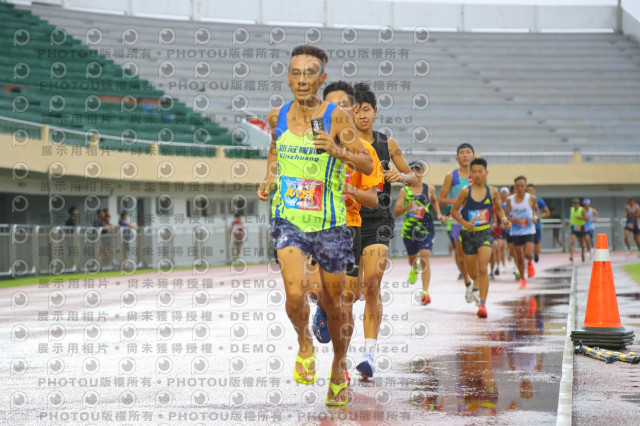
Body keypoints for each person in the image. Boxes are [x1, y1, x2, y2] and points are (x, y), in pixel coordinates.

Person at [256, 44, 373, 406]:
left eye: (310, 73)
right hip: (289, 218)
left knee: (335, 302)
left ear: (321, 79)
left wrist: (337, 151)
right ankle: (304, 342)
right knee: (294, 293)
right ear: (288, 77)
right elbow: (274, 150)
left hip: (331, 222)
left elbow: (367, 165)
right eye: (296, 72)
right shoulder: (277, 115)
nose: (302, 79)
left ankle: (338, 367)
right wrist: (270, 177)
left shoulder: (337, 118)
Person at [310, 81, 381, 356]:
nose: (336, 110)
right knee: (316, 291)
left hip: (349, 225)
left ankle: (341, 363)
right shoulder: (310, 142)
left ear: (352, 109)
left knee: (348, 298)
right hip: (315, 223)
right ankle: (323, 307)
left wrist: (349, 189)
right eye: (330, 105)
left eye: (342, 105)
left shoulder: (365, 152)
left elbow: (372, 200)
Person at [352, 82, 417, 379]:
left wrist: (399, 175)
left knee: (372, 283)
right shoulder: (342, 144)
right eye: (356, 111)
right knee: (350, 293)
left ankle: (369, 353)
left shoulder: (387, 144)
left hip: (378, 220)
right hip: (347, 221)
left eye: (366, 109)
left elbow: (413, 178)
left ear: (375, 111)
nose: (361, 115)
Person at [451, 158, 511, 318]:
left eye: (480, 171)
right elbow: (454, 211)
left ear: (486, 172)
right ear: (470, 174)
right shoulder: (465, 191)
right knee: (473, 272)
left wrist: (504, 219)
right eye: (474, 172)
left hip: (485, 232)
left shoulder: (493, 192)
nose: (477, 175)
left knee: (483, 268)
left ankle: (483, 305)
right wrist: (465, 223)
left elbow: (499, 209)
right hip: (468, 234)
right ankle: (474, 285)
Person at [393, 160, 446, 306]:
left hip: (426, 229)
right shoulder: (404, 191)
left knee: (425, 257)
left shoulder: (430, 189)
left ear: (422, 172)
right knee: (413, 260)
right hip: (409, 231)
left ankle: (425, 292)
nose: (416, 173)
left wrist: (439, 214)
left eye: (418, 170)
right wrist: (408, 206)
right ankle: (414, 267)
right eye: (412, 170)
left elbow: (434, 201)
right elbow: (396, 212)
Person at [439, 143, 476, 303]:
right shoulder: (451, 176)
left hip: (475, 219)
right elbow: (441, 200)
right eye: (462, 153)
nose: (465, 155)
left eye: (468, 152)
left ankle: (476, 285)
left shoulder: (478, 175)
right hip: (456, 220)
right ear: (457, 158)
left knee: (475, 253)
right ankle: (467, 282)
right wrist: (458, 200)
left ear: (473, 156)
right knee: (461, 256)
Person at [504, 176, 539, 289]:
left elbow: (536, 209)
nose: (520, 188)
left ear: (525, 186)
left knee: (528, 253)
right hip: (516, 231)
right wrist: (513, 220)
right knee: (519, 257)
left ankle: (529, 262)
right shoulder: (510, 200)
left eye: (522, 185)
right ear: (515, 187)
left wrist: (535, 217)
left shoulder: (531, 198)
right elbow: (505, 215)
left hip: (529, 229)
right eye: (517, 186)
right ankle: (523, 279)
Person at [526, 183, 550, 263]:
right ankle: (529, 259)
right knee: (527, 245)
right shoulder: (524, 201)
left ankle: (536, 254)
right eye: (528, 191)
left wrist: (538, 217)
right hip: (526, 227)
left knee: (536, 246)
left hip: (536, 226)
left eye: (531, 190)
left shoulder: (539, 201)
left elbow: (547, 212)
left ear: (534, 191)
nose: (530, 192)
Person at [568, 198, 588, 262]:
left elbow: (586, 218)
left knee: (581, 243)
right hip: (574, 227)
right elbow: (571, 217)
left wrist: (579, 217)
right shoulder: (571, 209)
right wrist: (570, 221)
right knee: (572, 242)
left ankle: (582, 254)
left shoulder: (582, 210)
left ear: (578, 204)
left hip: (580, 227)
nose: (575, 205)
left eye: (577, 204)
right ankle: (571, 256)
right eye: (574, 204)